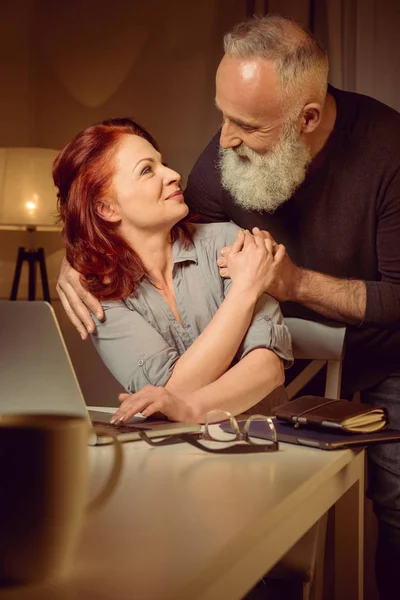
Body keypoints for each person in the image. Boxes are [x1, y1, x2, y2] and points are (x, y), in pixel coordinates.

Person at [55, 15, 400, 598]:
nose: (223, 140)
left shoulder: (388, 150)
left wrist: (288, 284)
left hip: (388, 344)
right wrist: (80, 254)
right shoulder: (220, 170)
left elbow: (393, 301)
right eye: (222, 113)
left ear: (306, 119)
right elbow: (136, 212)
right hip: (254, 378)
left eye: (246, 123)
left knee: (397, 504)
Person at [53, 117, 292, 425]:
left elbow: (268, 368)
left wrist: (187, 408)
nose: (173, 175)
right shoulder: (99, 294)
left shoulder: (228, 242)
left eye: (162, 163)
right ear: (107, 209)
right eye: (147, 170)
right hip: (173, 454)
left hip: (268, 444)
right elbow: (167, 392)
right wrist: (245, 291)